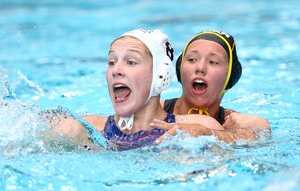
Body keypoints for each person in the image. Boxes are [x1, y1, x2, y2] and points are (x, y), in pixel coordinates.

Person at [45, 29, 224, 151]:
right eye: (111, 62)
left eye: (131, 62)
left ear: (160, 74)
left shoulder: (200, 127)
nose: (116, 70)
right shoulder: (83, 128)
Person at [152, 30, 270, 144]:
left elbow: (258, 138)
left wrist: (205, 132)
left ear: (230, 77)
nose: (200, 67)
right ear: (179, 70)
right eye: (192, 59)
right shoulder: (152, 111)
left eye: (213, 62)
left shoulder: (234, 123)